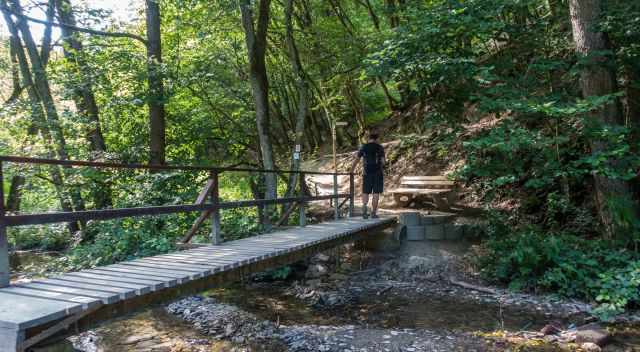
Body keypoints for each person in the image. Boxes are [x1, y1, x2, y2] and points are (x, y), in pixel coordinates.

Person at [350, 132, 385, 219]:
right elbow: (383, 161)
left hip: (366, 173)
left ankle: (364, 209)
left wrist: (352, 170)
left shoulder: (363, 147)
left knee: (365, 191)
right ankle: (373, 213)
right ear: (376, 139)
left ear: (369, 138)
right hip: (378, 173)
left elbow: (357, 159)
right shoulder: (380, 147)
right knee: (376, 193)